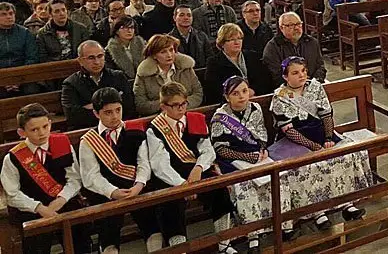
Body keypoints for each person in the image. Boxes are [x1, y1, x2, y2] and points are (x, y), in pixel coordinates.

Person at [269, 58, 371, 229]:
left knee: (343, 156)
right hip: (295, 138)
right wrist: (314, 147)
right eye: (295, 73)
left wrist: (329, 138)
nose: (301, 75)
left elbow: (326, 115)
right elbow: (288, 130)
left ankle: (347, 203)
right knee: (309, 166)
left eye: (303, 70)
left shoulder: (315, 87)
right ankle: (318, 213)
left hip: (321, 132)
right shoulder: (280, 97)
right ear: (285, 76)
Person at [210, 77, 297, 252]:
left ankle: (283, 226)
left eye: (244, 91)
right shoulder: (220, 117)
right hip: (232, 161)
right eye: (235, 93)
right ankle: (253, 236)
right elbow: (220, 149)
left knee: (277, 178)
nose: (242, 97)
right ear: (227, 97)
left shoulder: (255, 108)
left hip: (257, 156)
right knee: (246, 187)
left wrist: (263, 149)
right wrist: (245, 156)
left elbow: (262, 134)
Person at [147, 82, 236, 251]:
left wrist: (199, 168)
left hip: (196, 171)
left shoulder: (195, 119)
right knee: (170, 205)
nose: (181, 109)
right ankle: (180, 249)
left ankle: (224, 243)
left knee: (219, 190)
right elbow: (160, 165)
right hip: (171, 178)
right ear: (163, 106)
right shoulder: (155, 129)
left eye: (184, 103)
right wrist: (182, 185)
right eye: (175, 105)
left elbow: (207, 150)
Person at [78, 88, 164, 253]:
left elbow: (143, 163)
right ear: (96, 114)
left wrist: (139, 185)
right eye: (108, 112)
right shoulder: (89, 141)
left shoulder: (135, 131)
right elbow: (91, 176)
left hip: (137, 188)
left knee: (153, 226)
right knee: (108, 233)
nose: (115, 116)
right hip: (106, 195)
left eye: (118, 110)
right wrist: (113, 192)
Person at [1, 103, 91, 254]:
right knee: (36, 245)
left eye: (45, 126)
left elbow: (74, 179)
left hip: (64, 202)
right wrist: (40, 208)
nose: (42, 133)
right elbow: (12, 194)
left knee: (80, 241)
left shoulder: (62, 144)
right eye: (34, 130)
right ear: (22, 132)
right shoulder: (13, 158)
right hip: (32, 209)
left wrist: (61, 199)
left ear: (50, 123)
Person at [62, 40, 135, 130]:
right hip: (89, 131)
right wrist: (110, 110)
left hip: (121, 128)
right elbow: (73, 117)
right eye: (91, 58)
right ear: (80, 61)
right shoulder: (71, 83)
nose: (97, 62)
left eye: (100, 56)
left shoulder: (118, 76)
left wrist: (94, 107)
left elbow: (129, 106)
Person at [133, 34, 203, 116]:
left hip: (187, 113)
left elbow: (198, 94)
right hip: (157, 118)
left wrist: (180, 106)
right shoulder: (144, 74)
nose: (169, 55)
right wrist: (167, 106)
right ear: (154, 55)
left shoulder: (186, 68)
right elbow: (141, 105)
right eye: (163, 52)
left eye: (171, 50)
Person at [205, 23, 273, 104]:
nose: (237, 42)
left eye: (239, 38)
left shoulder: (253, 56)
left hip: (257, 98)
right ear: (222, 43)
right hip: (231, 103)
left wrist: (253, 90)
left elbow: (265, 79)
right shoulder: (214, 63)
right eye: (231, 39)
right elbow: (214, 90)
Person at [263, 12, 326, 86]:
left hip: (313, 86)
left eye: (298, 24)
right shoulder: (273, 47)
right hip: (287, 90)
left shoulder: (312, 42)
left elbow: (320, 66)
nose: (296, 28)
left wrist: (314, 82)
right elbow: (275, 75)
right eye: (291, 25)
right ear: (281, 28)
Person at [167, 5, 214, 69]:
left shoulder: (202, 36)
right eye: (182, 15)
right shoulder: (168, 39)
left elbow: (210, 58)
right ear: (174, 18)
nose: (186, 18)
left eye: (189, 15)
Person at [0, 2, 39, 71]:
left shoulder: (25, 33)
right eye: (3, 14)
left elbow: (32, 57)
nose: (9, 17)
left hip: (23, 73)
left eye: (11, 13)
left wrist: (22, 72)